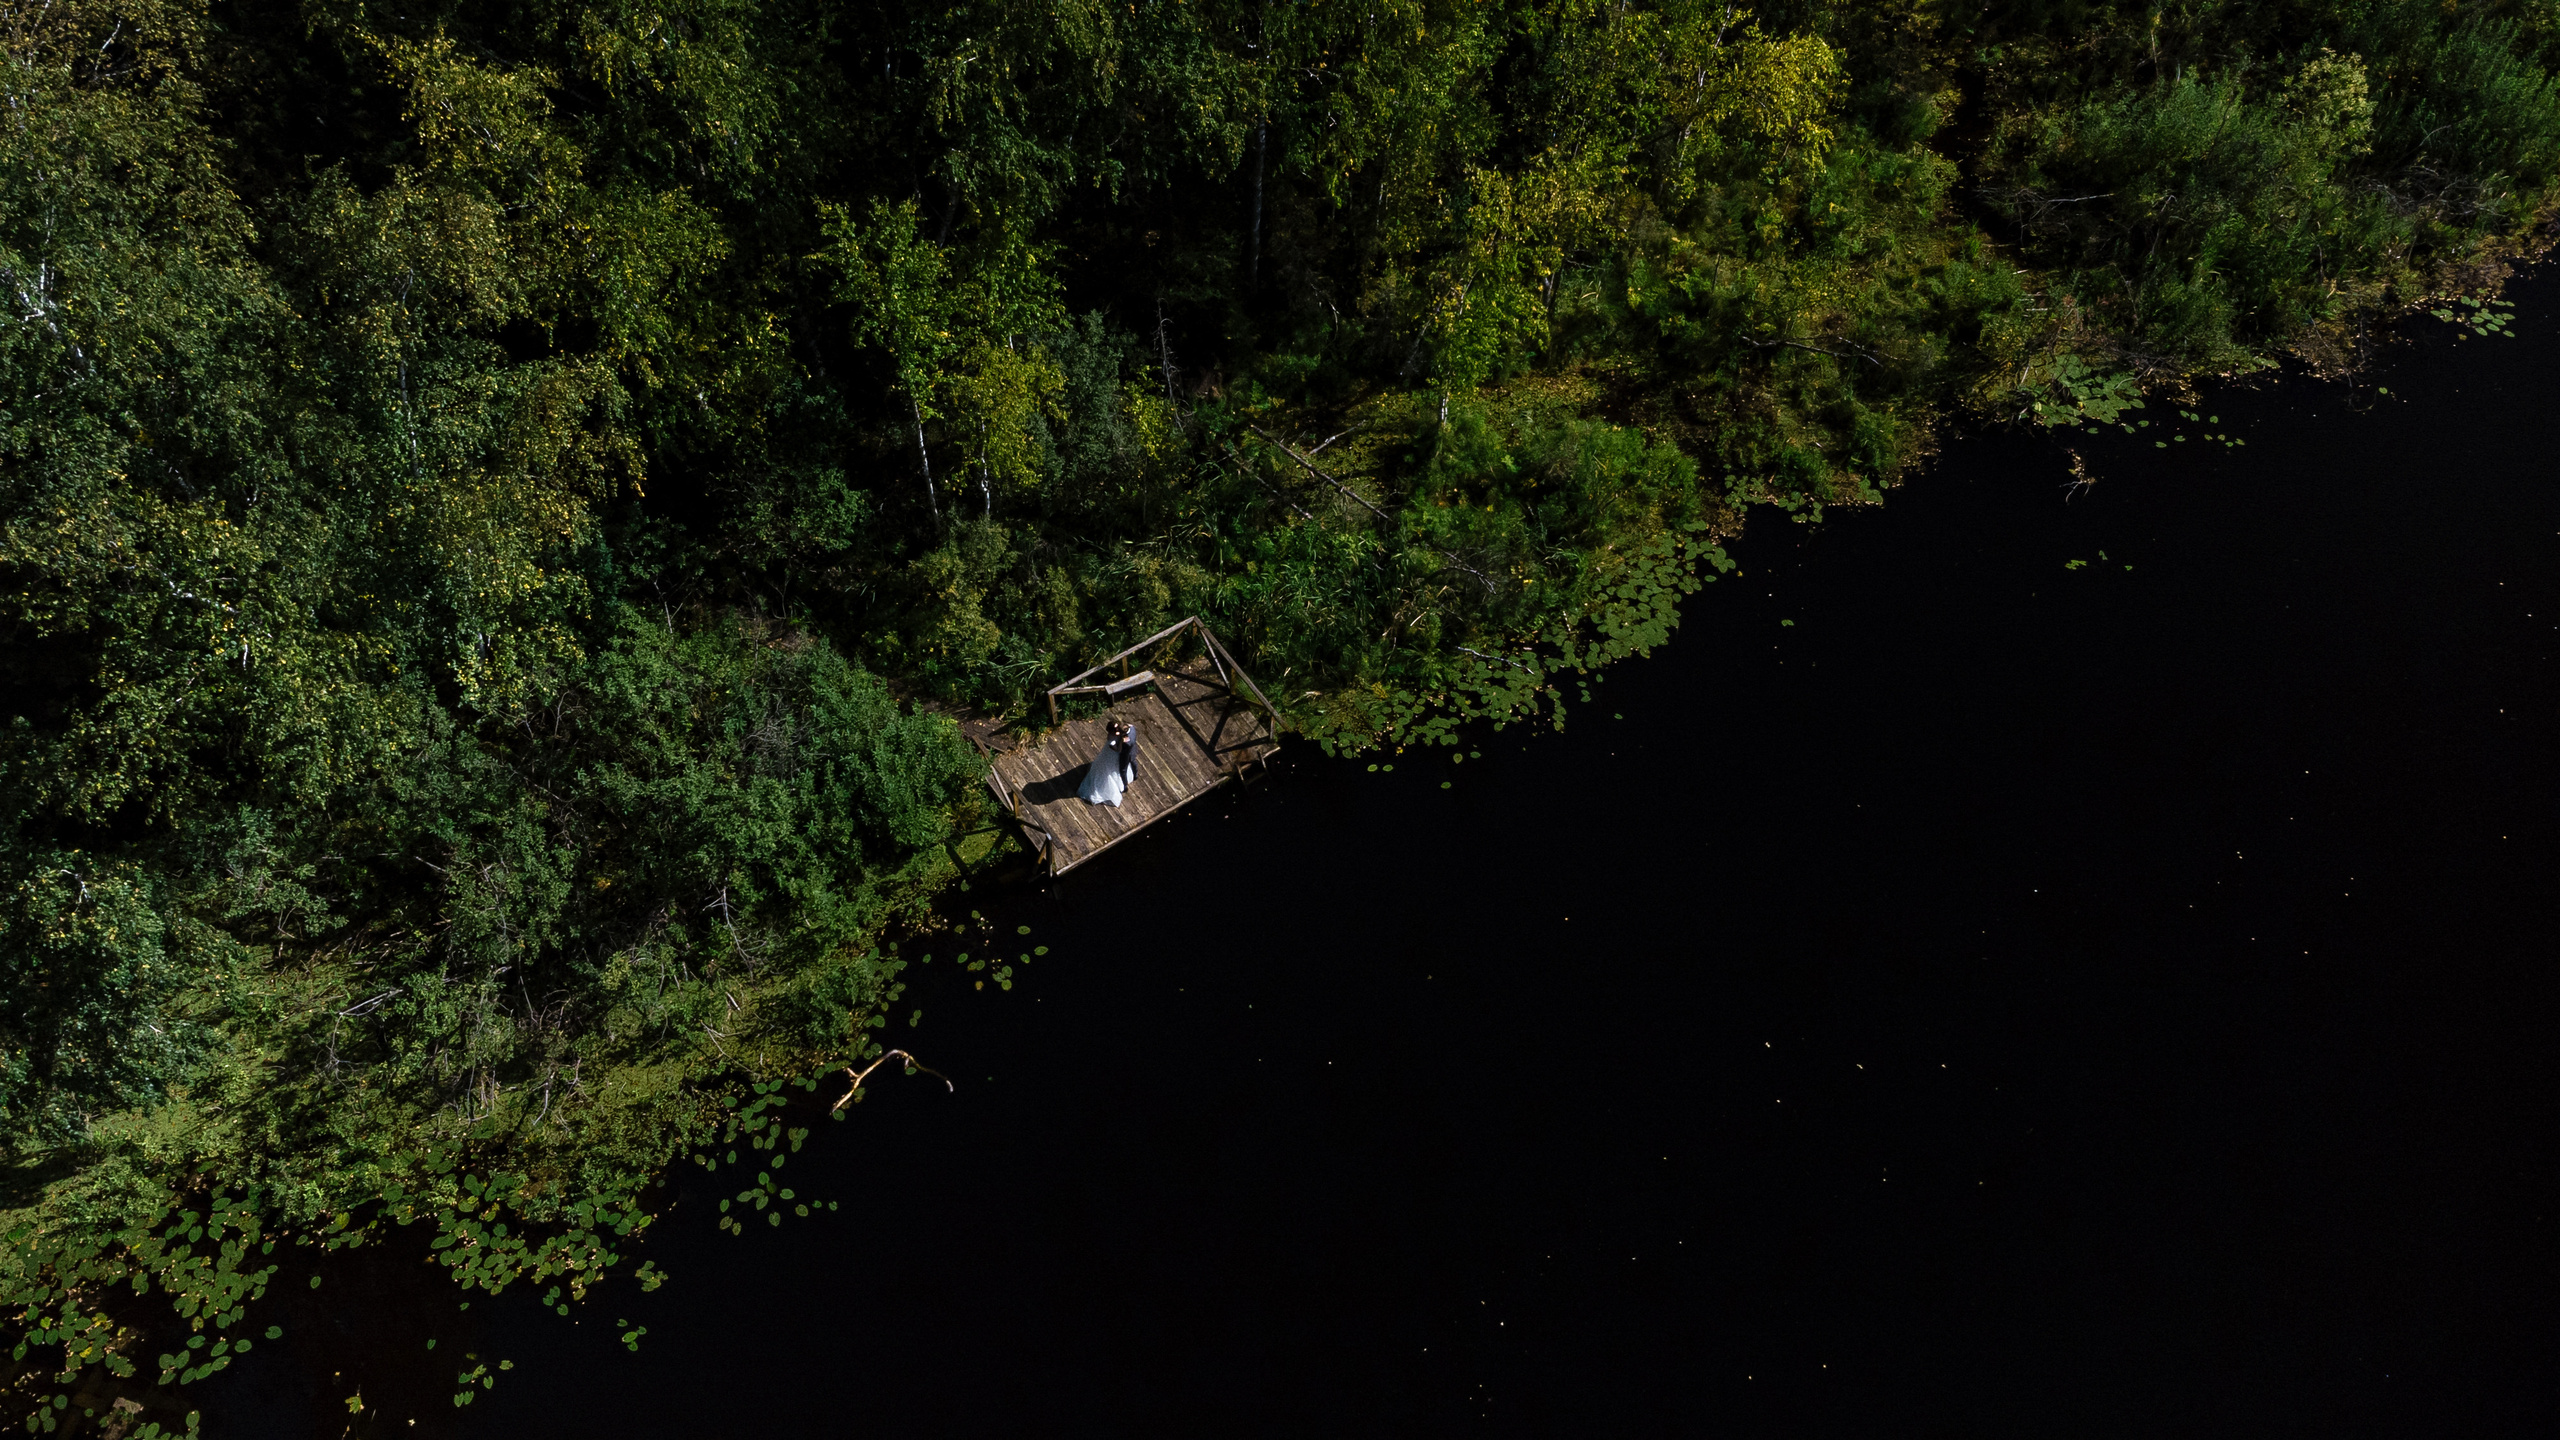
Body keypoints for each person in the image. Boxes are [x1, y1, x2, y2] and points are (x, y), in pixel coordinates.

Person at [1079, 720, 1128, 807]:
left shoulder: (1118, 733)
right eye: (1115, 729)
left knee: (1115, 769)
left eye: (1117, 728)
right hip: (1110, 756)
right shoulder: (1110, 738)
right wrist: (1121, 741)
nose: (1117, 730)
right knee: (1106, 770)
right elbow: (1116, 749)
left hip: (1115, 757)